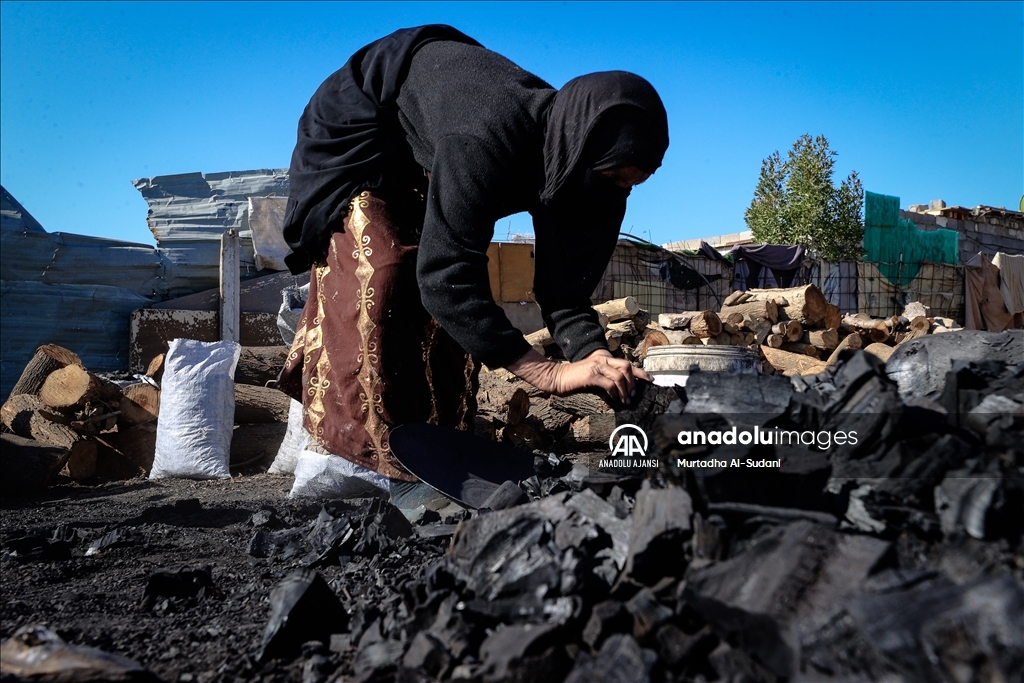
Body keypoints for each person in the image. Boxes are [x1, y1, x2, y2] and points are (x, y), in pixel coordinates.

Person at [277, 24, 669, 482]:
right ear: (583, 154)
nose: (617, 193)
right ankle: (357, 462)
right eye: (612, 178)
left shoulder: (580, 165)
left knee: (449, 317)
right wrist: (547, 373)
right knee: (389, 274)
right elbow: (445, 276)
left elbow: (566, 290)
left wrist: (593, 356)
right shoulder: (488, 134)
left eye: (632, 184)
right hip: (363, 127)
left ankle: (443, 453)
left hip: (434, 144)